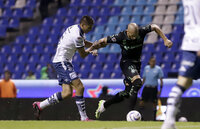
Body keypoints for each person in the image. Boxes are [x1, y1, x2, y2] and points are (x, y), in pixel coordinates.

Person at [87, 23, 173, 119]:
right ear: (127, 32)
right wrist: (92, 49)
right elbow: (102, 41)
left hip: (137, 64)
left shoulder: (141, 31)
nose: (134, 38)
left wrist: (165, 39)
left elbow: (155, 27)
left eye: (135, 36)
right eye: (132, 36)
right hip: (126, 63)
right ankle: (130, 115)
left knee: (127, 93)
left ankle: (104, 105)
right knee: (137, 83)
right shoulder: (120, 36)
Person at [32, 16, 97, 121]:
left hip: (62, 61)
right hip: (62, 61)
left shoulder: (75, 28)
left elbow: (83, 43)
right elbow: (83, 54)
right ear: (83, 25)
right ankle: (84, 118)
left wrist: (95, 45)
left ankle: (40, 105)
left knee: (66, 93)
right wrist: (93, 48)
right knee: (80, 87)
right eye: (89, 28)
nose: (90, 30)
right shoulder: (77, 36)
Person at [161, 0, 200, 129]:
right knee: (183, 82)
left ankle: (169, 120)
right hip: (198, 42)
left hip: (189, 42)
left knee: (185, 82)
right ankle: (168, 121)